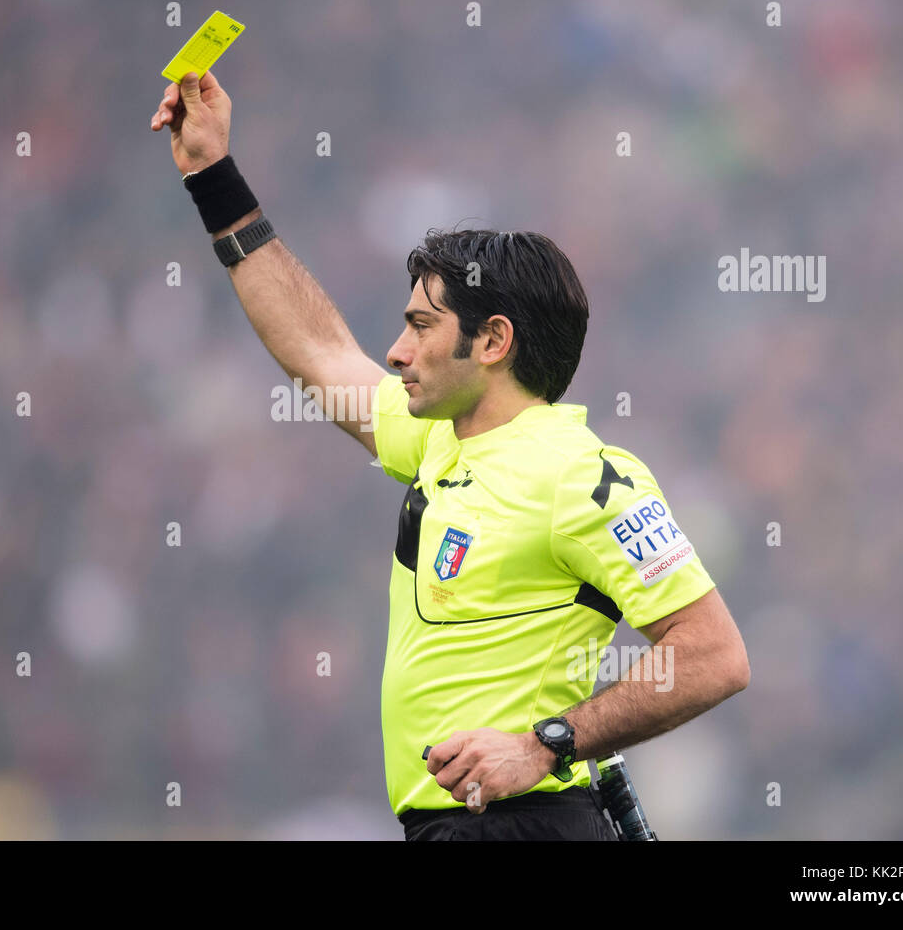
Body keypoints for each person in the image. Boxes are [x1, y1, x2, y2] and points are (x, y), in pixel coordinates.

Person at [150, 71, 750, 840]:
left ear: (494, 341)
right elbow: (320, 351)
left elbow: (713, 656)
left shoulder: (583, 475)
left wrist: (546, 745)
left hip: (525, 822)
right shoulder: (436, 436)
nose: (396, 352)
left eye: (422, 326)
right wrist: (210, 173)